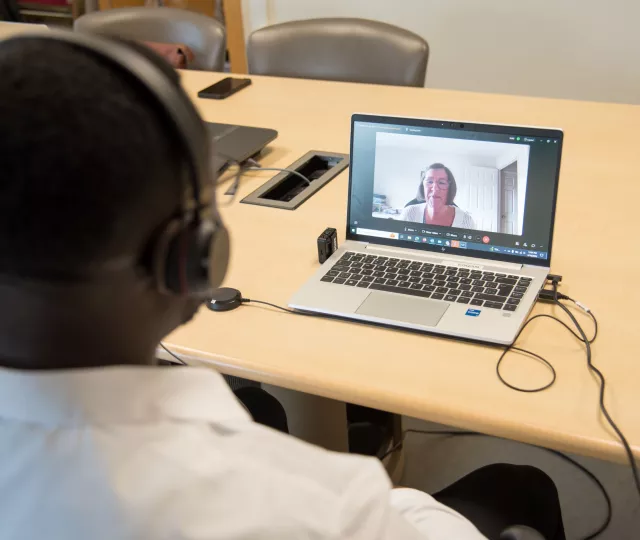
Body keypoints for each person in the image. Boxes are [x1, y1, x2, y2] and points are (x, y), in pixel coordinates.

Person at [0, 35, 565, 540]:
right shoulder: (308, 505)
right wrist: (385, 501)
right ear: (193, 258)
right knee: (520, 483)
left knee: (261, 406)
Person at [400, 163, 476, 228]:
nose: (435, 189)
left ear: (450, 188)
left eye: (442, 183)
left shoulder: (466, 221)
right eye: (429, 182)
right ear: (423, 186)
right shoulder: (409, 214)